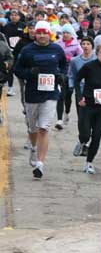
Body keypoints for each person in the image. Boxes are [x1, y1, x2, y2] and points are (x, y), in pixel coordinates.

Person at [13, 21, 67, 179]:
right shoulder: (27, 50)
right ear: (35, 34)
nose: (42, 35)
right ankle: (34, 148)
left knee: (44, 127)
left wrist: (62, 76)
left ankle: (40, 164)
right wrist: (30, 73)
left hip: (50, 94)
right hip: (32, 95)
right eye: (39, 32)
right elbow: (17, 69)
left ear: (49, 33)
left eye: (45, 32)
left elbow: (64, 64)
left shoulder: (56, 49)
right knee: (33, 128)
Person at [72, 43, 101, 174]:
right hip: (88, 105)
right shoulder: (89, 67)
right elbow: (77, 79)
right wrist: (80, 97)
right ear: (97, 54)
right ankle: (81, 141)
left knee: (96, 136)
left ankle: (89, 162)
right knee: (85, 134)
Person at [68, 37, 96, 156]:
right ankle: (82, 140)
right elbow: (72, 76)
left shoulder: (97, 59)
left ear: (92, 46)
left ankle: (86, 144)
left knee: (93, 120)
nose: (85, 46)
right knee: (82, 119)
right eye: (83, 44)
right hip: (81, 93)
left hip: (94, 93)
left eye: (88, 44)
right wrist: (71, 86)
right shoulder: (75, 60)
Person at [54, 25, 81, 129]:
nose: (65, 34)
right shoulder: (57, 43)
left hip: (71, 74)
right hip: (59, 73)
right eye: (64, 32)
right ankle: (59, 120)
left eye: (67, 33)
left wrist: (70, 58)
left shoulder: (76, 45)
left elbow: (80, 59)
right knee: (60, 95)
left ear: (71, 34)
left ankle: (67, 112)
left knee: (68, 96)